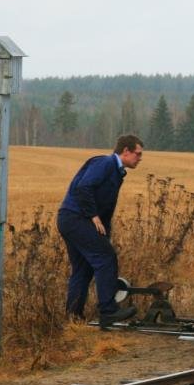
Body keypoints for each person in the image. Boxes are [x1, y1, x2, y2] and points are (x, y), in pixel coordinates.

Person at [57, 134, 144, 327]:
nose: (140, 158)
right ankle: (108, 311)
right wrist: (93, 216)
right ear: (126, 151)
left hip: (71, 219)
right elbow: (83, 188)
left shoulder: (117, 170)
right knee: (106, 257)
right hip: (76, 218)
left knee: (83, 269)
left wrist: (104, 230)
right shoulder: (105, 163)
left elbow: (104, 204)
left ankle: (73, 318)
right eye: (137, 154)